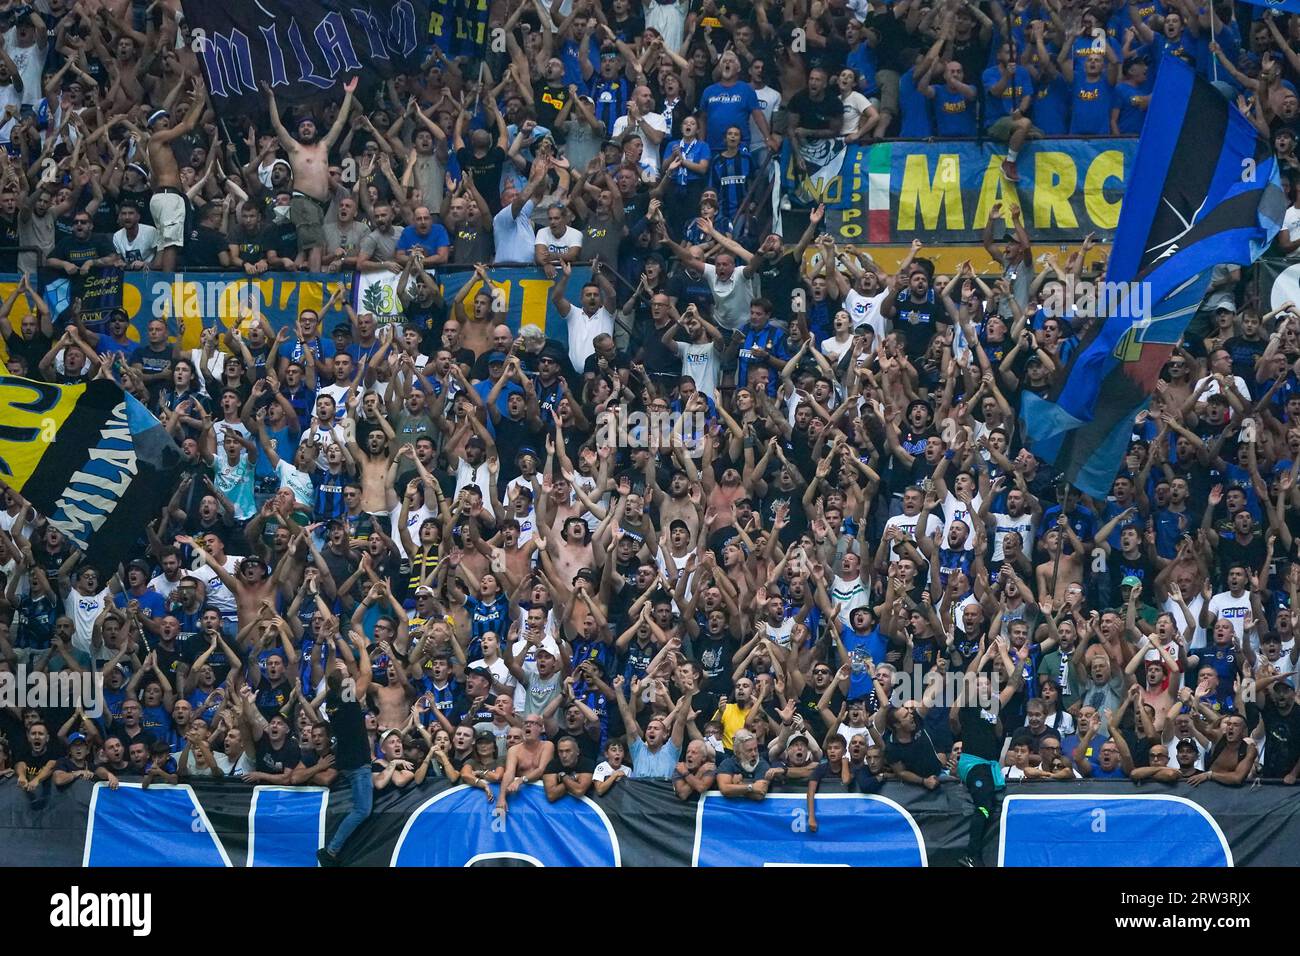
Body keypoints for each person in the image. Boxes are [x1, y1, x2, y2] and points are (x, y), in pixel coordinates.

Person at [316, 626, 372, 867]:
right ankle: (331, 851)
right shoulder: (347, 700)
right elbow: (367, 676)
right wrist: (361, 648)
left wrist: (331, 647)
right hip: (358, 763)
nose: (346, 670)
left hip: (346, 760)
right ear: (344, 684)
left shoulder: (331, 698)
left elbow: (332, 674)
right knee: (362, 810)